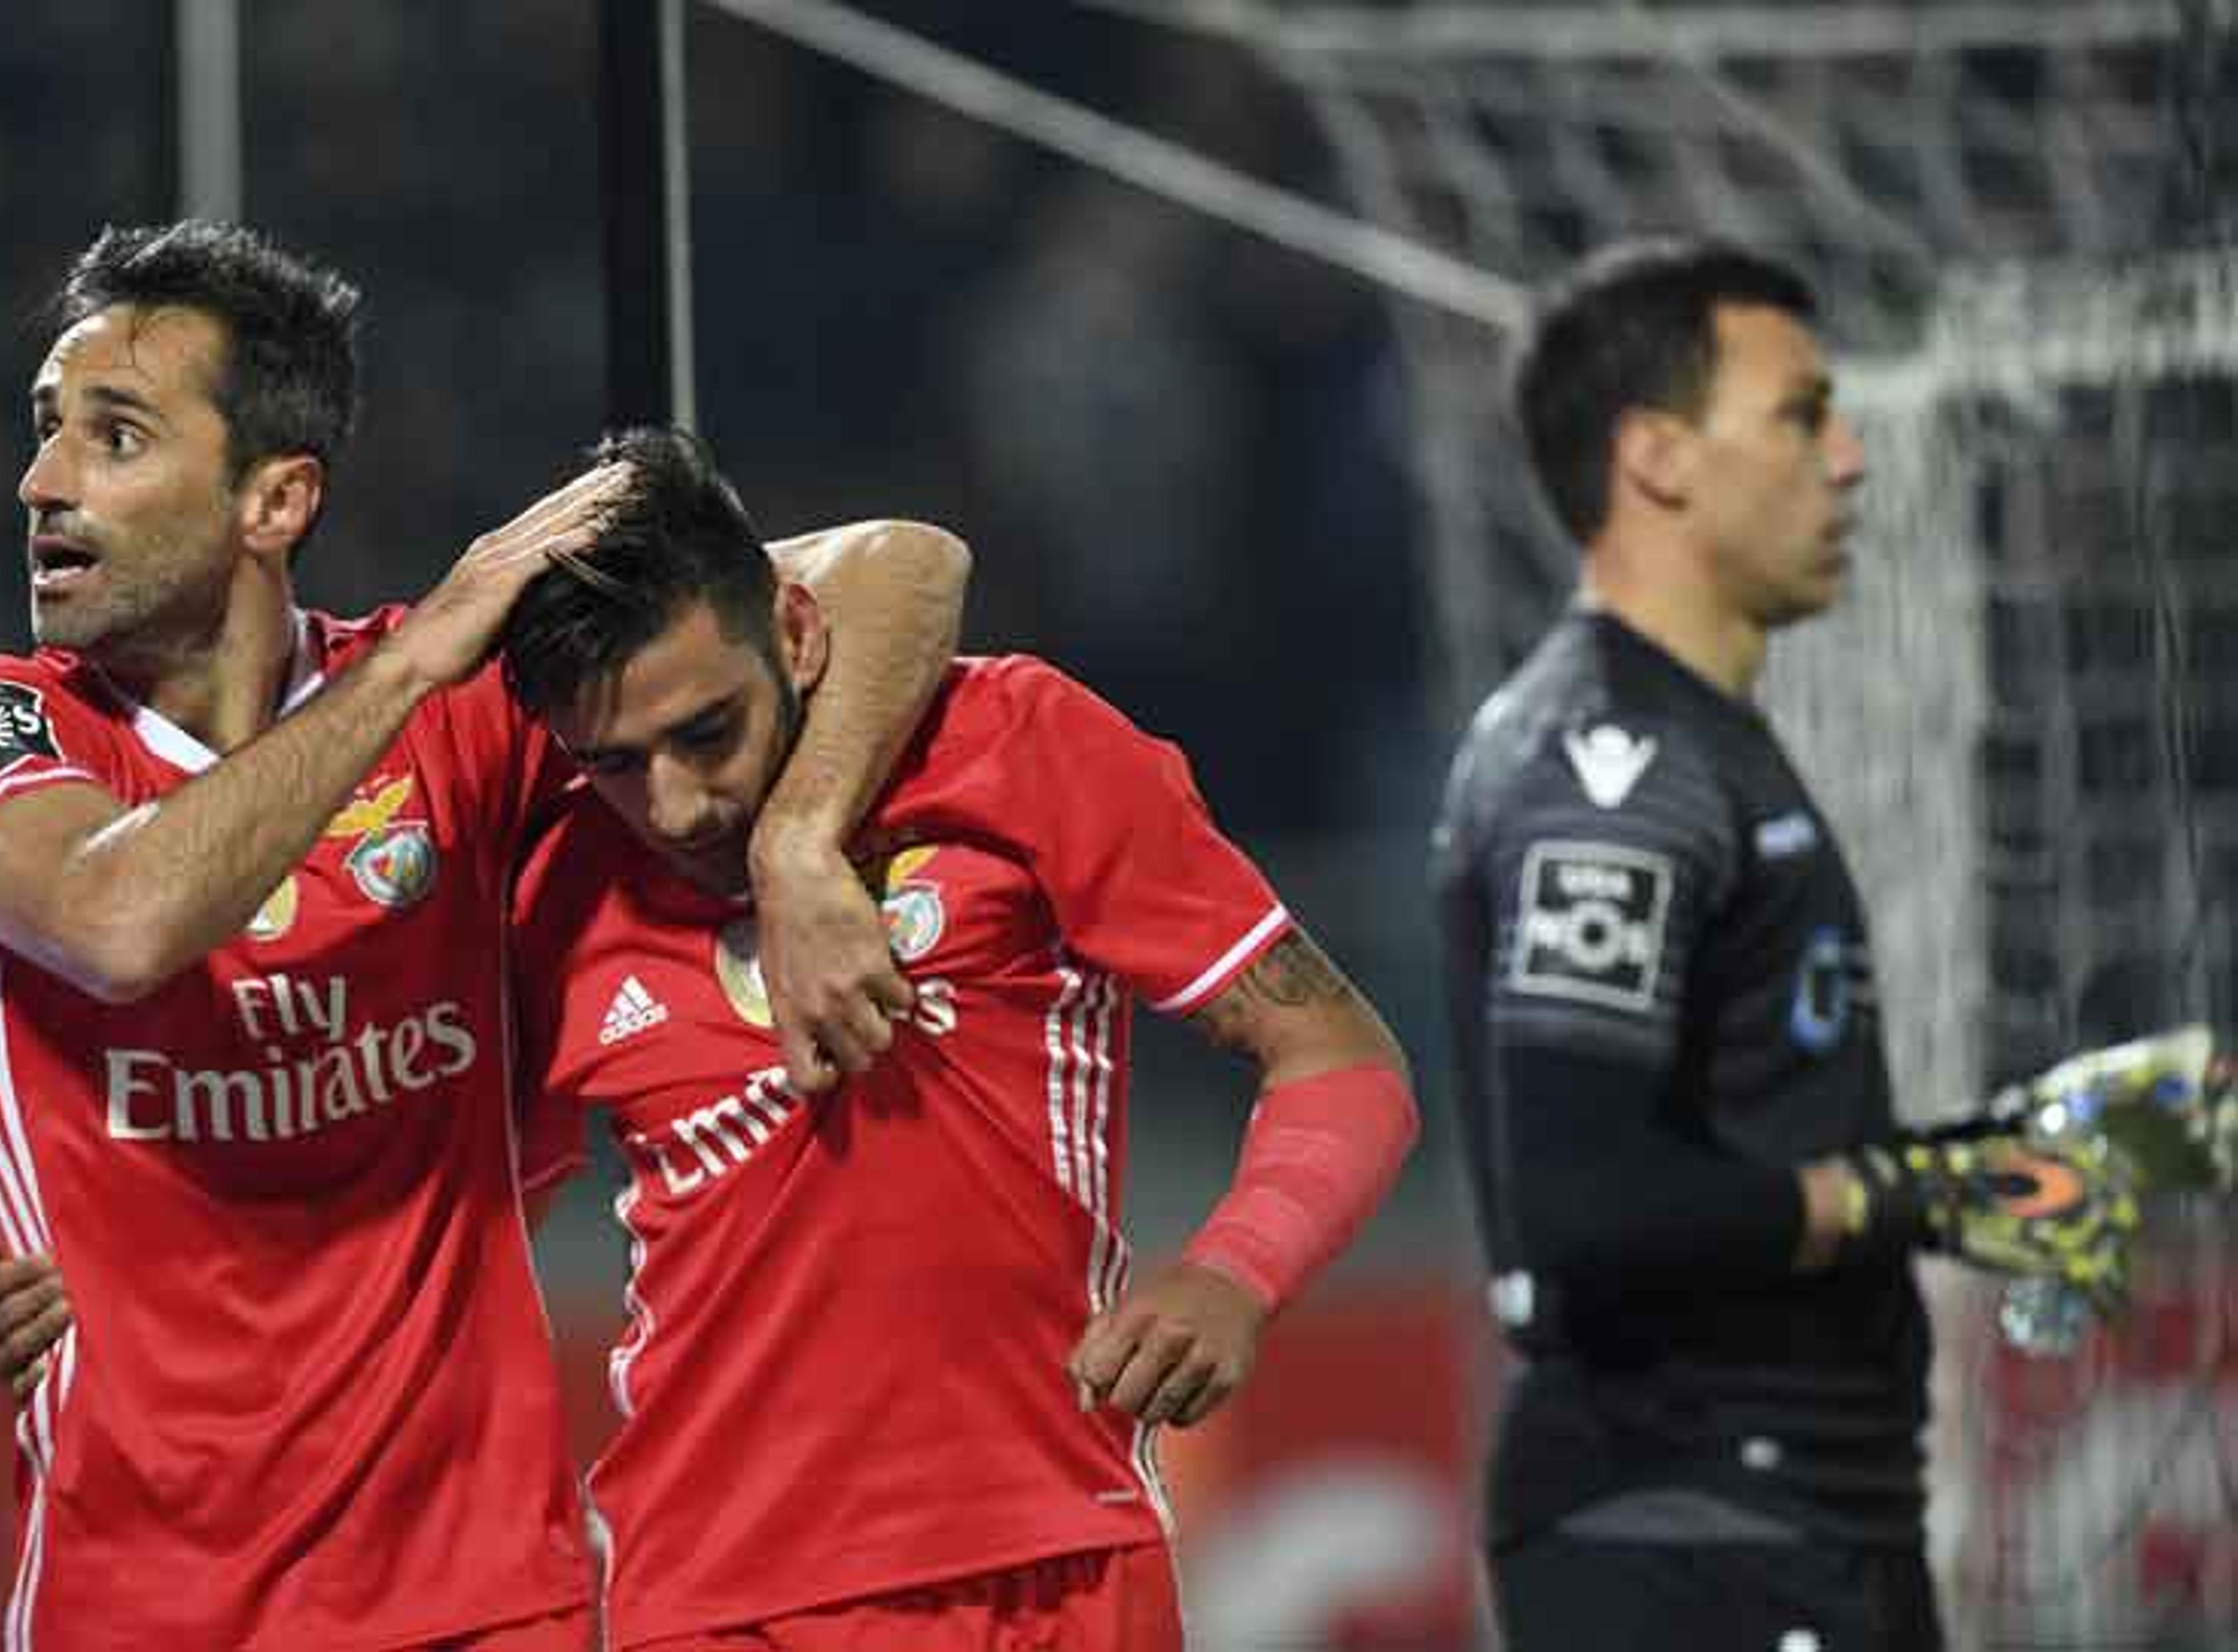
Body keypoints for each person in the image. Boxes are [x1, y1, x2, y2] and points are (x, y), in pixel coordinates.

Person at [0, 220, 967, 1652]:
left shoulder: (463, 726)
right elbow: (118, 917)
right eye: (45, 432)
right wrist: (414, 659)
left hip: (478, 1595)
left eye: (115, 435)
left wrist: (796, 838)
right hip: (144, 1606)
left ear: (274, 498)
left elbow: (904, 568)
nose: (42, 482)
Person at [490, 426, 1422, 1648]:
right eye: (615, 763)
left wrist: (1235, 1271)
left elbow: (1341, 1057)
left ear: (801, 632)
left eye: (709, 732)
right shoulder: (555, 878)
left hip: (1046, 1563)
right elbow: (467, 1228)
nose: (672, 803)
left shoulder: (1012, 746)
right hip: (710, 1595)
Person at [1431, 237, 2140, 1652]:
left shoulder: (1698, 742)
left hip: (1793, 1516)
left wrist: (1993, 1167)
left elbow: (1755, 1147)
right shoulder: (1611, 768)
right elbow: (1586, 1198)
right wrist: (1926, 1187)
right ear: (1659, 458)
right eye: (1803, 414)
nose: (1854, 457)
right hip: (1691, 1523)